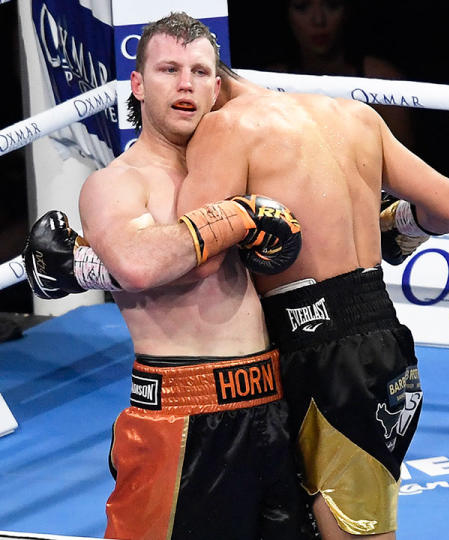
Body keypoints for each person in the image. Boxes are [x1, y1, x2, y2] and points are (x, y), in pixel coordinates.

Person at [23, 13, 313, 540]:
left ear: (217, 85)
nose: (186, 84)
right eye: (169, 69)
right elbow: (138, 262)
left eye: (200, 72)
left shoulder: (238, 164)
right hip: (181, 423)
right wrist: (240, 214)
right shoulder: (118, 182)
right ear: (137, 84)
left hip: (270, 407)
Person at [172, 63, 449, 539]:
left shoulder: (227, 124)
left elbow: (195, 258)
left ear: (215, 85)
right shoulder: (356, 116)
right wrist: (393, 225)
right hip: (382, 338)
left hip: (321, 350)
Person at [271, 0, 414, 148]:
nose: (318, 20)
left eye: (332, 5)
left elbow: (405, 166)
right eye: (302, 7)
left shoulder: (382, 79)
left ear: (347, 10)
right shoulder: (266, 84)